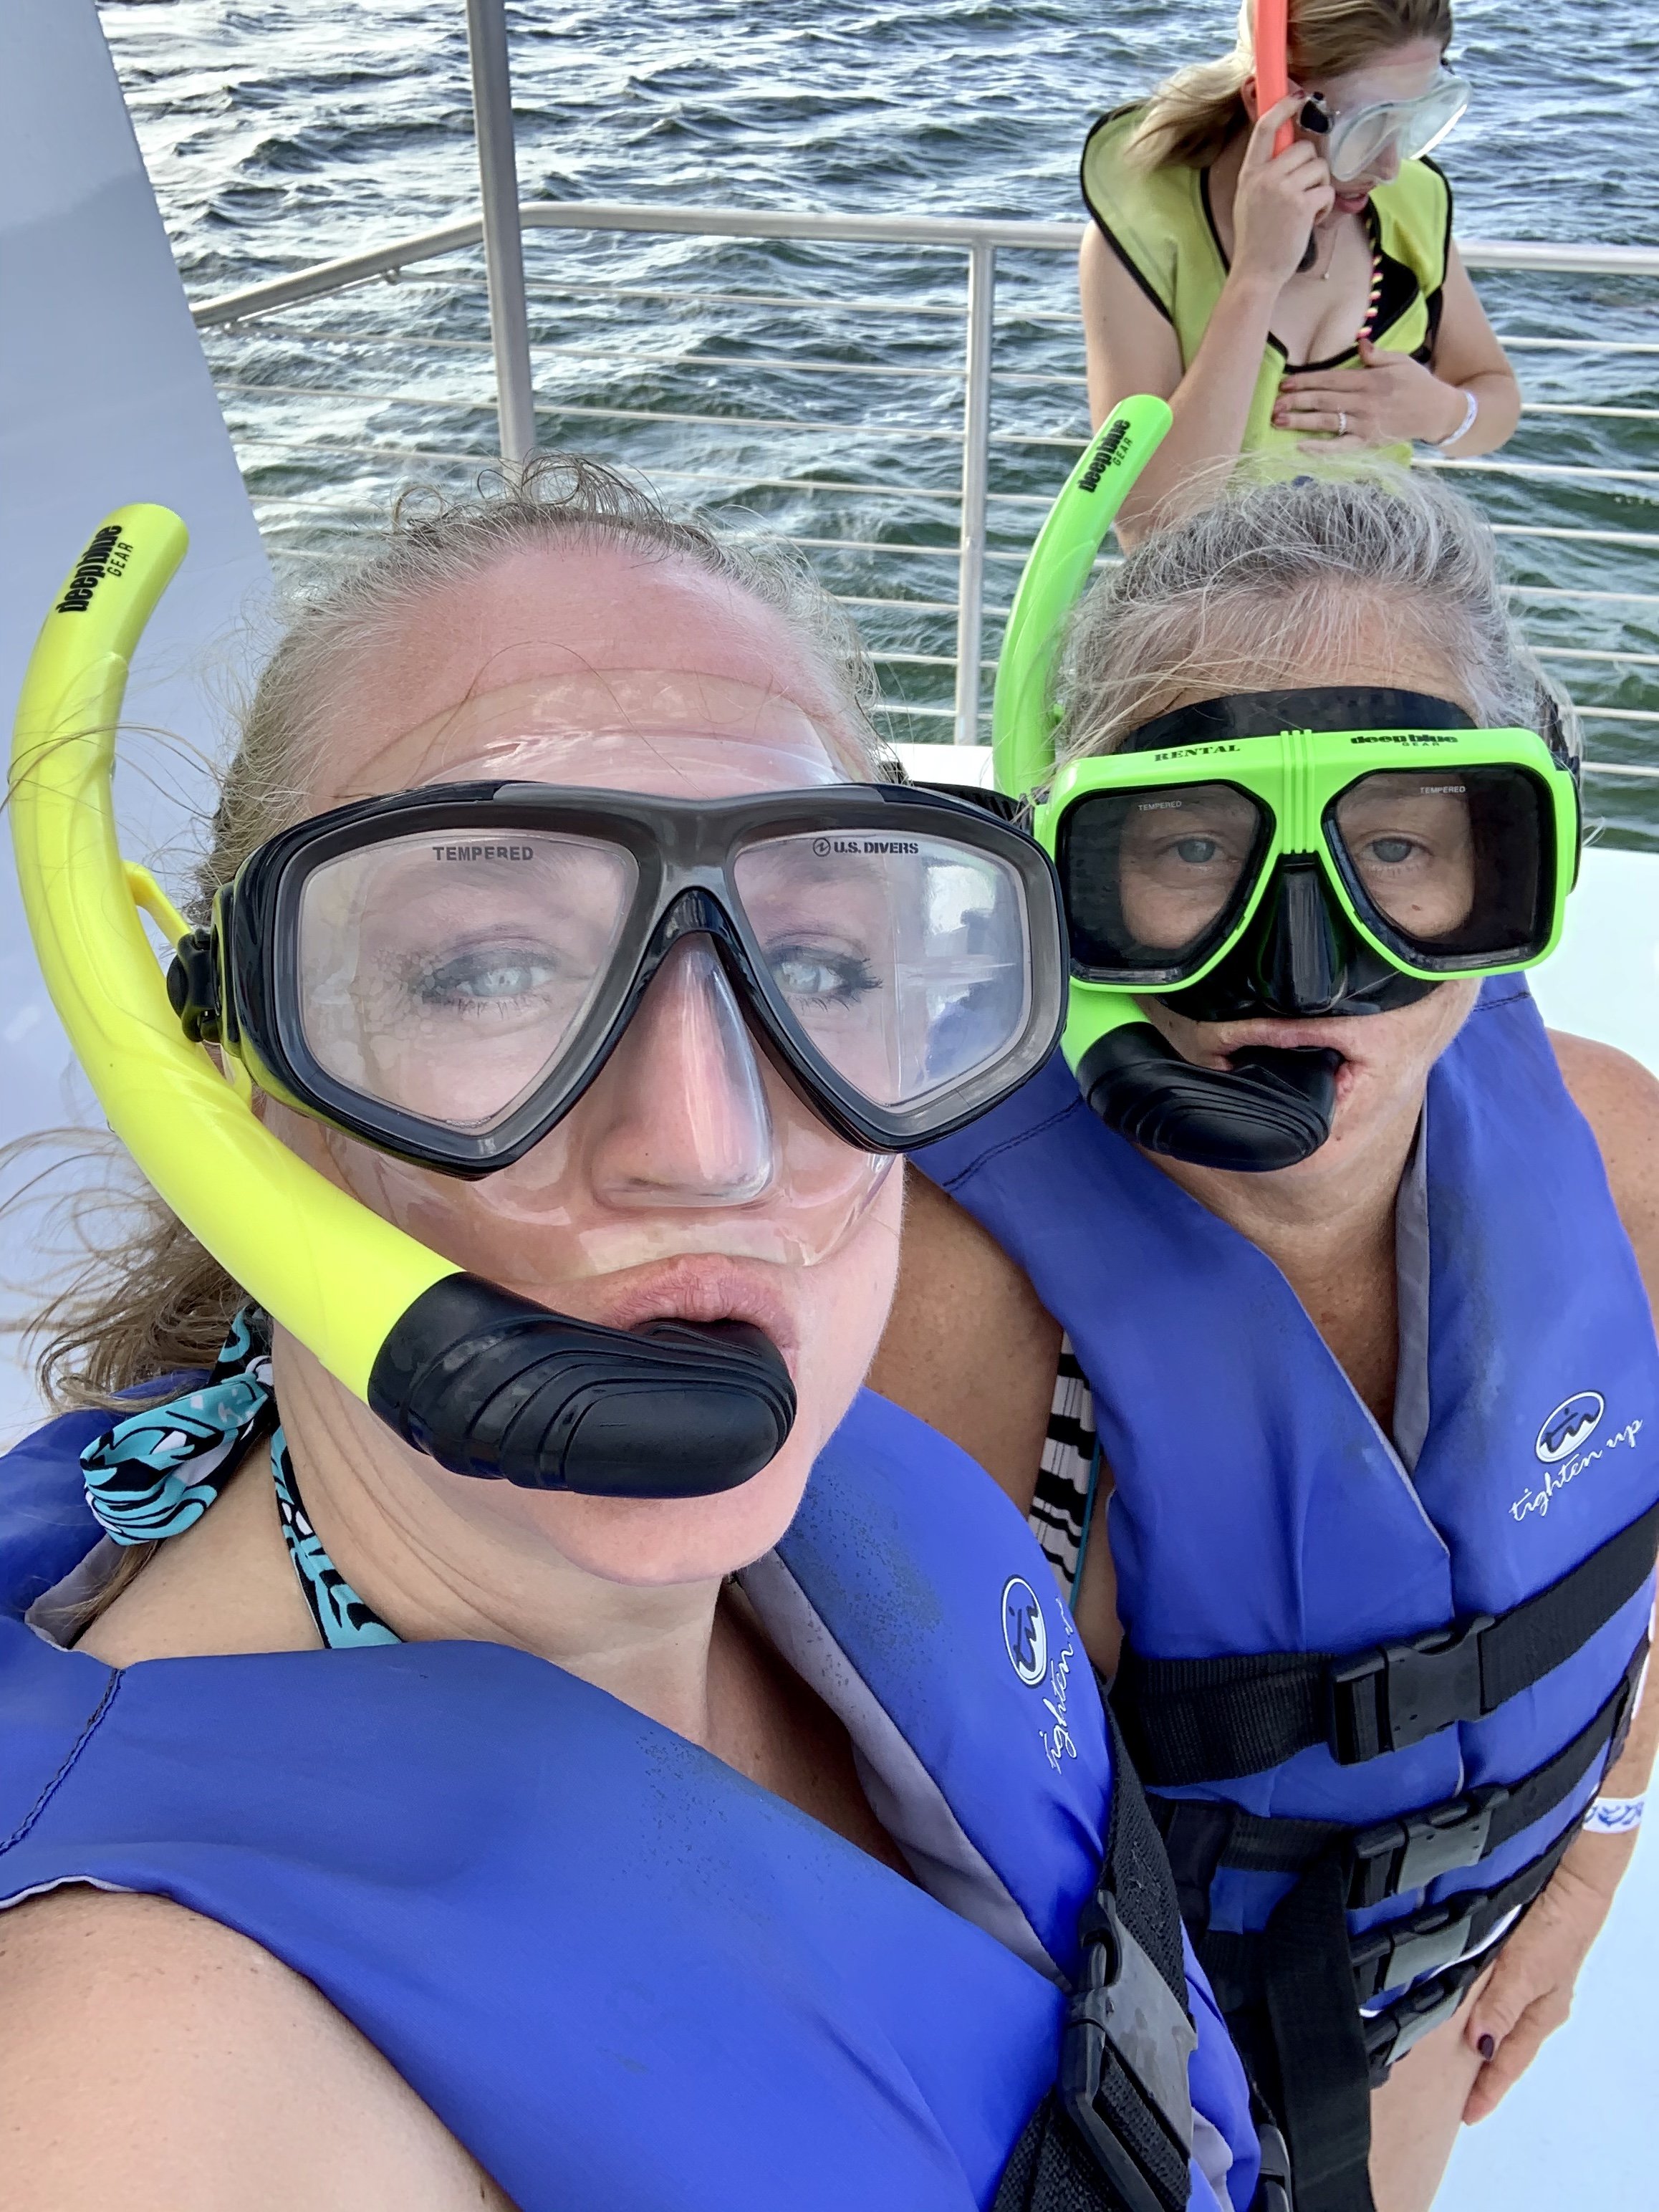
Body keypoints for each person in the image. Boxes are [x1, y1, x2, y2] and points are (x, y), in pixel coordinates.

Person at [0, 465, 1259, 2212]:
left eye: (818, 964)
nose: (707, 1143)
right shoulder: (148, 2085)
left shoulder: (875, 1497)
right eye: (483, 972)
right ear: (232, 1087)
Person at [871, 472, 1659, 2212]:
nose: (1303, 969)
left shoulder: (1611, 1156)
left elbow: (1628, 1562)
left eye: (1395, 847)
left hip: (1410, 2017)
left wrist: (1586, 1875)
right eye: (1189, 850)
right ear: (1072, 887)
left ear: (1510, 852)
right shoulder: (966, 1318)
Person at [1078, 0, 1521, 542]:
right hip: (1208, 614)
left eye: (1414, 121)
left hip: (1370, 603)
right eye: (1367, 127)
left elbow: (1497, 401)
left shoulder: (1410, 201)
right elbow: (1150, 521)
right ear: (1267, 103)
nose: (1387, 167)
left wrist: (1442, 412)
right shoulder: (1147, 234)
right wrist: (1256, 278)